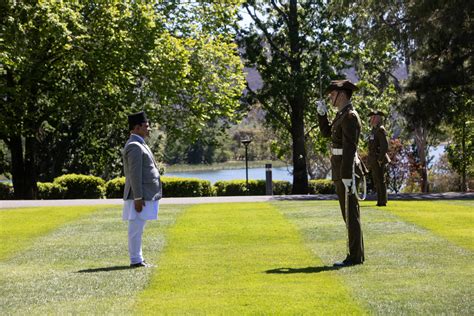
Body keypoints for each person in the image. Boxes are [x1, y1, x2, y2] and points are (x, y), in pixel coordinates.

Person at [316, 79, 364, 267]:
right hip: (341, 169)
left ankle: (354, 257)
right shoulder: (342, 115)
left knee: (351, 214)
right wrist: (322, 114)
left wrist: (346, 176)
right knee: (348, 213)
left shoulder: (350, 116)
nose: (330, 97)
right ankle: (355, 255)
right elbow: (326, 133)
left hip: (347, 170)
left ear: (342, 94)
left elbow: (350, 148)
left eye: (332, 95)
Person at [122, 111, 162, 268]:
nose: (149, 129)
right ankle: (136, 260)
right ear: (136, 128)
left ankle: (138, 258)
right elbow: (134, 174)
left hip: (143, 195)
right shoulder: (134, 146)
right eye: (146, 126)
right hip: (139, 196)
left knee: (138, 227)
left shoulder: (140, 144)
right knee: (136, 228)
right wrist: (138, 198)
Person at [367, 110, 390, 206]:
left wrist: (380, 159)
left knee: (380, 180)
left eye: (373, 117)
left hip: (378, 159)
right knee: (377, 180)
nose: (371, 119)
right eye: (371, 117)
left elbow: (384, 146)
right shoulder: (374, 130)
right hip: (374, 159)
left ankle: (382, 201)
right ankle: (380, 200)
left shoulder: (380, 130)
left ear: (377, 118)